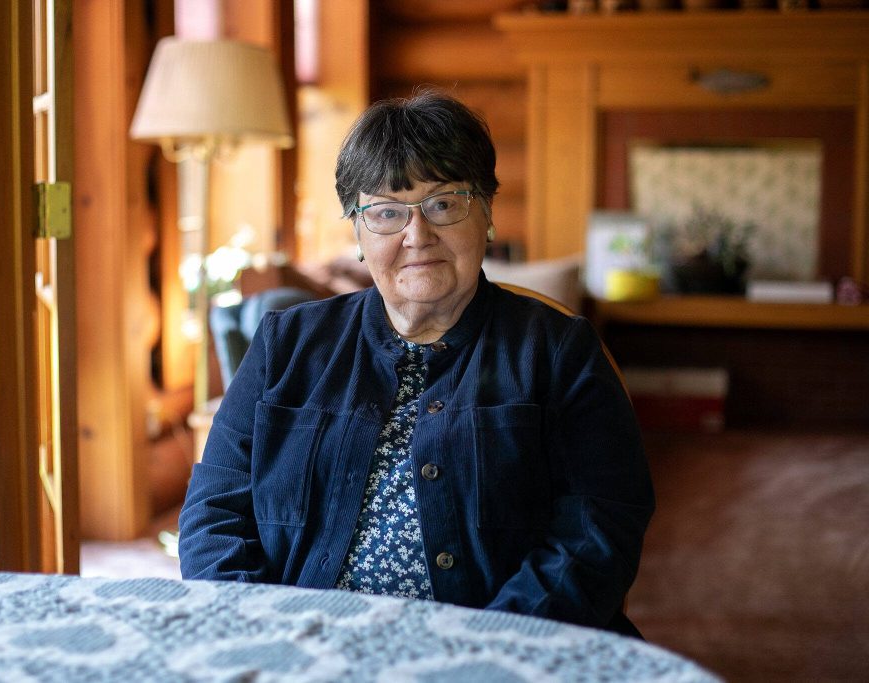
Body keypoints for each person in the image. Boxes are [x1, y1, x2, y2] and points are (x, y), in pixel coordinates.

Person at [178, 91, 655, 637]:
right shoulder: (286, 343)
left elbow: (601, 526)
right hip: (301, 645)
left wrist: (491, 648)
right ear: (358, 231)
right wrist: (263, 635)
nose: (417, 235)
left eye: (444, 204)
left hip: (502, 651)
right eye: (386, 212)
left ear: (488, 214)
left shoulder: (558, 350)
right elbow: (213, 514)